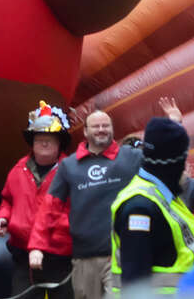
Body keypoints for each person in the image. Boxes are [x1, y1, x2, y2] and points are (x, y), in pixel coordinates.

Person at [27, 109, 140, 299]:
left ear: (113, 129)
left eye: (106, 125)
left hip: (120, 256)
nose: (101, 130)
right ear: (85, 132)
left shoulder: (131, 157)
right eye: (96, 126)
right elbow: (49, 208)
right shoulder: (69, 166)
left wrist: (175, 124)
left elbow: (164, 167)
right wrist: (37, 247)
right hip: (83, 259)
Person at [109, 118, 194, 293]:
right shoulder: (139, 208)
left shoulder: (163, 196)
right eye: (184, 158)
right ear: (173, 162)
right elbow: (135, 285)